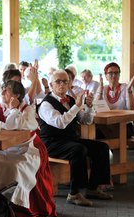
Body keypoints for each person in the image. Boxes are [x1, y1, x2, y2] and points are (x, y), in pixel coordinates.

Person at [0, 80, 56, 217]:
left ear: (16, 95)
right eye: (3, 89)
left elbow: (13, 125)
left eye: (7, 90)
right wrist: (6, 123)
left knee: (15, 167)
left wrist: (13, 110)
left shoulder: (27, 109)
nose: (2, 92)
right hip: (9, 147)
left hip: (29, 148)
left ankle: (17, 206)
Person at [38, 69, 113, 207]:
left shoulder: (71, 100)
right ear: (51, 84)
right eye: (58, 81)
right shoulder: (46, 104)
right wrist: (77, 106)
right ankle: (74, 193)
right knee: (78, 150)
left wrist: (89, 107)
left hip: (69, 140)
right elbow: (60, 123)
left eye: (65, 81)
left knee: (102, 147)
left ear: (69, 84)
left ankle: (93, 187)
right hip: (51, 143)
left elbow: (85, 121)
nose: (62, 84)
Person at [96, 62, 134, 138]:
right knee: (95, 133)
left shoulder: (126, 87)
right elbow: (96, 108)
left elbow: (132, 109)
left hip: (124, 125)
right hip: (106, 124)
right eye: (110, 73)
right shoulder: (102, 88)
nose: (114, 75)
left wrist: (129, 91)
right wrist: (100, 90)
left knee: (106, 133)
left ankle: (114, 147)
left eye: (116, 73)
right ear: (106, 76)